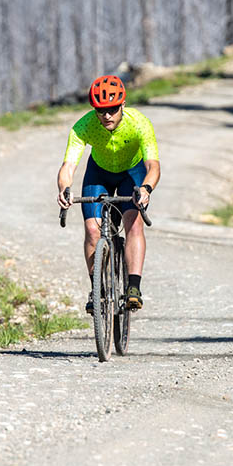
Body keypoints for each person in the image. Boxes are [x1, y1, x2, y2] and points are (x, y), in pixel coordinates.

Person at [56, 74, 160, 312]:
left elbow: (153, 166)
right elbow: (68, 166)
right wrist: (64, 189)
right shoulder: (83, 126)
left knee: (133, 224)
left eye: (112, 109)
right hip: (99, 174)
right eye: (101, 110)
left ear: (122, 104)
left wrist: (146, 189)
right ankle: (97, 289)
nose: (107, 115)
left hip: (131, 175)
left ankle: (133, 287)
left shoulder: (139, 123)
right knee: (93, 230)